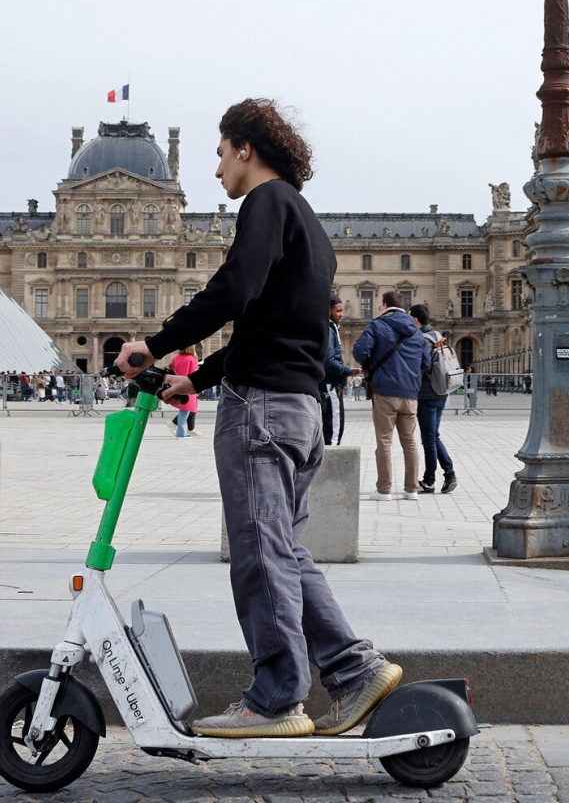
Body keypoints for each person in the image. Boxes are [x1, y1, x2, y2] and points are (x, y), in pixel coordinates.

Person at [112, 98, 400, 740]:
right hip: (299, 407)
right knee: (286, 550)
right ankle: (354, 672)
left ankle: (275, 697)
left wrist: (153, 346)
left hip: (260, 412)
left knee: (259, 553)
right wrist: (198, 376)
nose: (217, 170)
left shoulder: (264, 204)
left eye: (220, 154)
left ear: (246, 148)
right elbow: (272, 326)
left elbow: (232, 292)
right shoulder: (308, 222)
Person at [354, 290, 430, 502]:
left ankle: (384, 490)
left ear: (384, 305)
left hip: (385, 391)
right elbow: (425, 362)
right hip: (410, 394)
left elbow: (359, 351)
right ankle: (412, 489)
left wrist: (374, 363)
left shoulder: (378, 325)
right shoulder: (416, 331)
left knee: (385, 441)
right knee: (410, 443)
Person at [409, 304, 457, 493]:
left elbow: (421, 366)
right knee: (433, 436)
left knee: (428, 439)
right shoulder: (438, 336)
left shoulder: (421, 339)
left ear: (415, 320)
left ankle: (431, 480)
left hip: (427, 394)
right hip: (442, 391)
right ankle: (448, 474)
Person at [321, 296, 349, 446]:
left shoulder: (329, 328)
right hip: (330, 385)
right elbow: (329, 362)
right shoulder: (329, 329)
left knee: (329, 430)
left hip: (327, 384)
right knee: (333, 434)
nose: (341, 314)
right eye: (338, 311)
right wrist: (347, 371)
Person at [169, 345, 200, 436]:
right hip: (188, 387)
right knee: (186, 410)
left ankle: (185, 429)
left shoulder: (176, 358)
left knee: (185, 409)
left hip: (177, 385)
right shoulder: (191, 359)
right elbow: (194, 374)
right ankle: (181, 433)